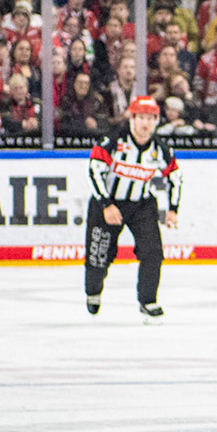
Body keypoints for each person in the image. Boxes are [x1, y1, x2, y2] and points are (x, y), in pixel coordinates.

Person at [84, 95, 179, 321]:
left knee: (153, 252)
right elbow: (94, 170)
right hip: (108, 203)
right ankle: (93, 291)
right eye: (141, 118)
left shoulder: (160, 149)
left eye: (150, 118)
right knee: (99, 256)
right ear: (132, 119)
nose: (145, 124)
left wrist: (173, 208)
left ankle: (148, 300)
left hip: (142, 205)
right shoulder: (113, 140)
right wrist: (106, 204)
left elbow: (175, 177)